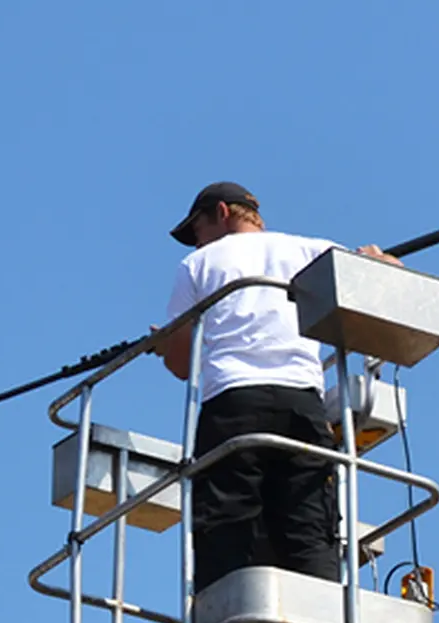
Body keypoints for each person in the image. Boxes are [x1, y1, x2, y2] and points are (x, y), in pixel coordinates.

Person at [155, 182, 401, 591]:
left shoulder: (197, 265)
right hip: (302, 403)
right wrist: (379, 259)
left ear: (220, 212)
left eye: (196, 230)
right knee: (308, 520)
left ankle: (225, 618)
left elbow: (182, 365)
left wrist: (165, 345)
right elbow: (388, 281)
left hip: (234, 401)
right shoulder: (311, 251)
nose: (196, 242)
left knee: (227, 523)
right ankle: (325, 618)